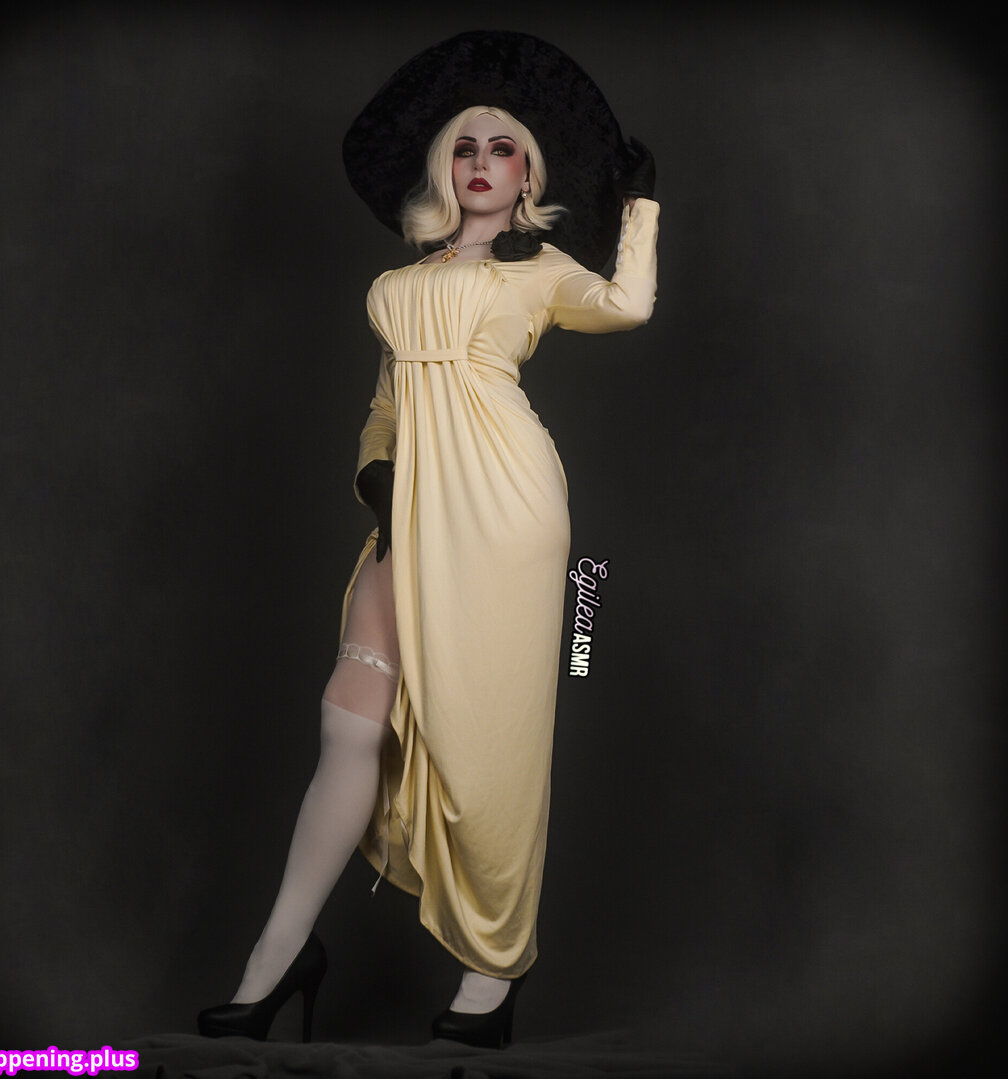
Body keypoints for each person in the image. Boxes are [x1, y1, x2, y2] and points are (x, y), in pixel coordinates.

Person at [197, 30, 659, 1050]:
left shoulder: (542, 272)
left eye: (504, 148)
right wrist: (375, 476)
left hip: (505, 506)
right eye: (466, 147)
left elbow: (629, 306)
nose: (482, 163)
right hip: (410, 508)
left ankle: (492, 970)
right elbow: (386, 406)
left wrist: (640, 211)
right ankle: (276, 958)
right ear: (445, 167)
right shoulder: (402, 284)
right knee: (349, 723)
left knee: (492, 737)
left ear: (528, 175)